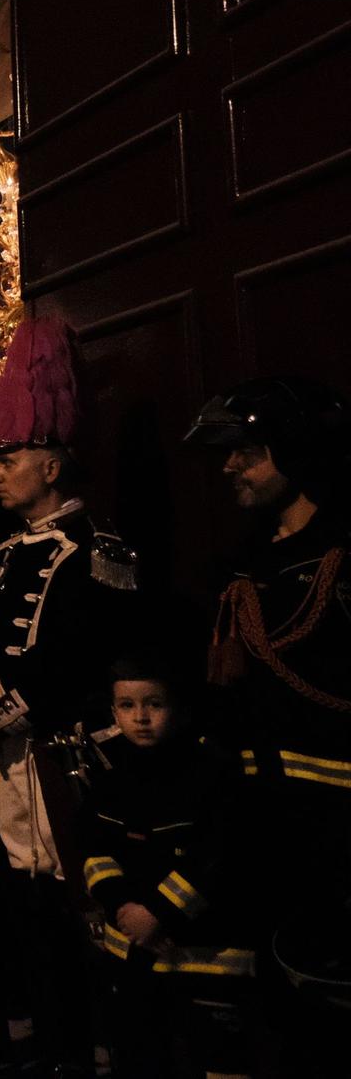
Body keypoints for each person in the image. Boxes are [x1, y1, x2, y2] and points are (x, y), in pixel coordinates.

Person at [0, 316, 134, 1078]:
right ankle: (51, 1042)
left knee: (72, 907)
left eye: (8, 453)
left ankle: (80, 1049)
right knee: (23, 905)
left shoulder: (98, 550)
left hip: (65, 758)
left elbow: (76, 659)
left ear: (52, 464)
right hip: (9, 760)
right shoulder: (7, 551)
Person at [187, 376, 350, 1076]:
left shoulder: (342, 557)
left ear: (294, 451)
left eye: (247, 452)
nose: (230, 467)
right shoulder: (241, 562)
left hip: (336, 818)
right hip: (257, 815)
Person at [81, 656, 252, 1078]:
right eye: (126, 705)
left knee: (220, 1060)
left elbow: (220, 855)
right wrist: (121, 904)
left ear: (181, 708)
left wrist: (158, 912)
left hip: (206, 950)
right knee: (140, 1055)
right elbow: (94, 849)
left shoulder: (214, 770)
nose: (140, 717)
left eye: (154, 704)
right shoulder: (110, 773)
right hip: (134, 946)